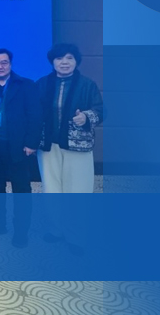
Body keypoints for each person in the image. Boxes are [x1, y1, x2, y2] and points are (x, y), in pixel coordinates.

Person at [36, 43, 104, 253]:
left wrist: (86, 117)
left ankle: (76, 236)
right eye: (59, 58)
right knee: (52, 189)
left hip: (77, 146)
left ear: (76, 61)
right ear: (52, 62)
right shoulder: (42, 83)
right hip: (48, 146)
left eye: (69, 58)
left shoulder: (87, 84)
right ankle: (56, 230)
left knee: (78, 191)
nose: (64, 62)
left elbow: (100, 111)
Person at [0, 48, 41, 248]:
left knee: (21, 189)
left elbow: (36, 116)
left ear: (10, 64)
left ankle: (21, 230)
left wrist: (32, 143)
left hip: (18, 147)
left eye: (3, 62)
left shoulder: (26, 85)